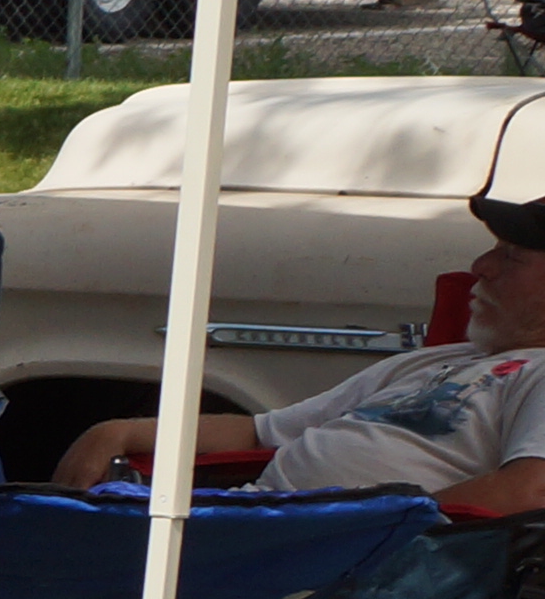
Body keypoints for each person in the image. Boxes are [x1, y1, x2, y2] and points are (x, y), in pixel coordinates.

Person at [54, 187, 545, 516]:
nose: (480, 265)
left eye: (512, 258)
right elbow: (255, 431)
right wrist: (118, 430)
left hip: (334, 570)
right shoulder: (434, 360)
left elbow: (528, 491)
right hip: (257, 529)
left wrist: (372, 537)